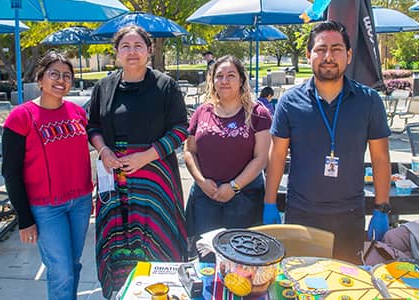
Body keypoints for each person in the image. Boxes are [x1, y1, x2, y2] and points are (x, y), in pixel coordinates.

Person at [263, 20, 391, 264]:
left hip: (350, 215)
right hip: (301, 214)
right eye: (321, 49)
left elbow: (380, 158)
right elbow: (276, 156)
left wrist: (381, 207)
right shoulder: (290, 102)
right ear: (309, 55)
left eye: (336, 49)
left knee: (346, 284)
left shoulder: (369, 101)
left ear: (349, 55)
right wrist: (270, 204)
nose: (328, 56)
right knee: (302, 283)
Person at [87, 25, 188, 299]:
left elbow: (180, 129)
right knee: (116, 243)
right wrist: (104, 150)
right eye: (125, 46)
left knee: (158, 239)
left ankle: (162, 293)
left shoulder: (165, 86)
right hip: (114, 179)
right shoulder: (104, 86)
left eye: (138, 46)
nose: (132, 52)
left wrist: (146, 156)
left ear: (149, 50)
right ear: (117, 52)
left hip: (154, 178)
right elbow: (92, 126)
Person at [2, 50, 93, 300]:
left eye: (67, 75)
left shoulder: (78, 113)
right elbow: (10, 171)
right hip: (46, 208)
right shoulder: (20, 117)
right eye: (54, 74)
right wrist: (24, 217)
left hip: (81, 203)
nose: (61, 80)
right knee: (61, 271)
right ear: (39, 79)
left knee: (73, 266)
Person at [184, 55, 272, 256]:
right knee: (205, 258)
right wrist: (201, 181)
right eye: (219, 76)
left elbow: (261, 158)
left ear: (241, 80)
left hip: (244, 200)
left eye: (231, 75)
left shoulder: (258, 113)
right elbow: (189, 151)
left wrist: (234, 186)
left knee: (243, 260)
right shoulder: (202, 112)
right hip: (205, 199)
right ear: (212, 81)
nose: (224, 81)